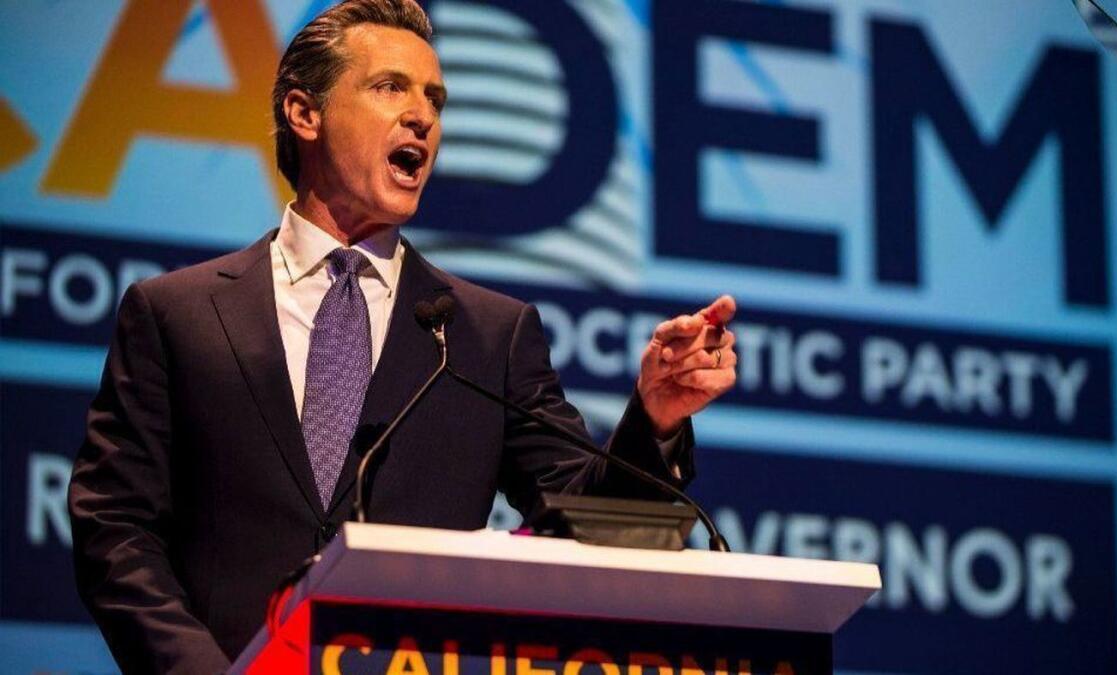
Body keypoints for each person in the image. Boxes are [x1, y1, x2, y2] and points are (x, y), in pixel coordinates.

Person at [68, 1, 738, 672]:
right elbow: (115, 529)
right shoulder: (176, 314)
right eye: (390, 86)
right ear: (305, 114)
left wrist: (654, 417)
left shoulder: (487, 335)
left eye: (434, 98)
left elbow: (597, 533)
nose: (423, 114)